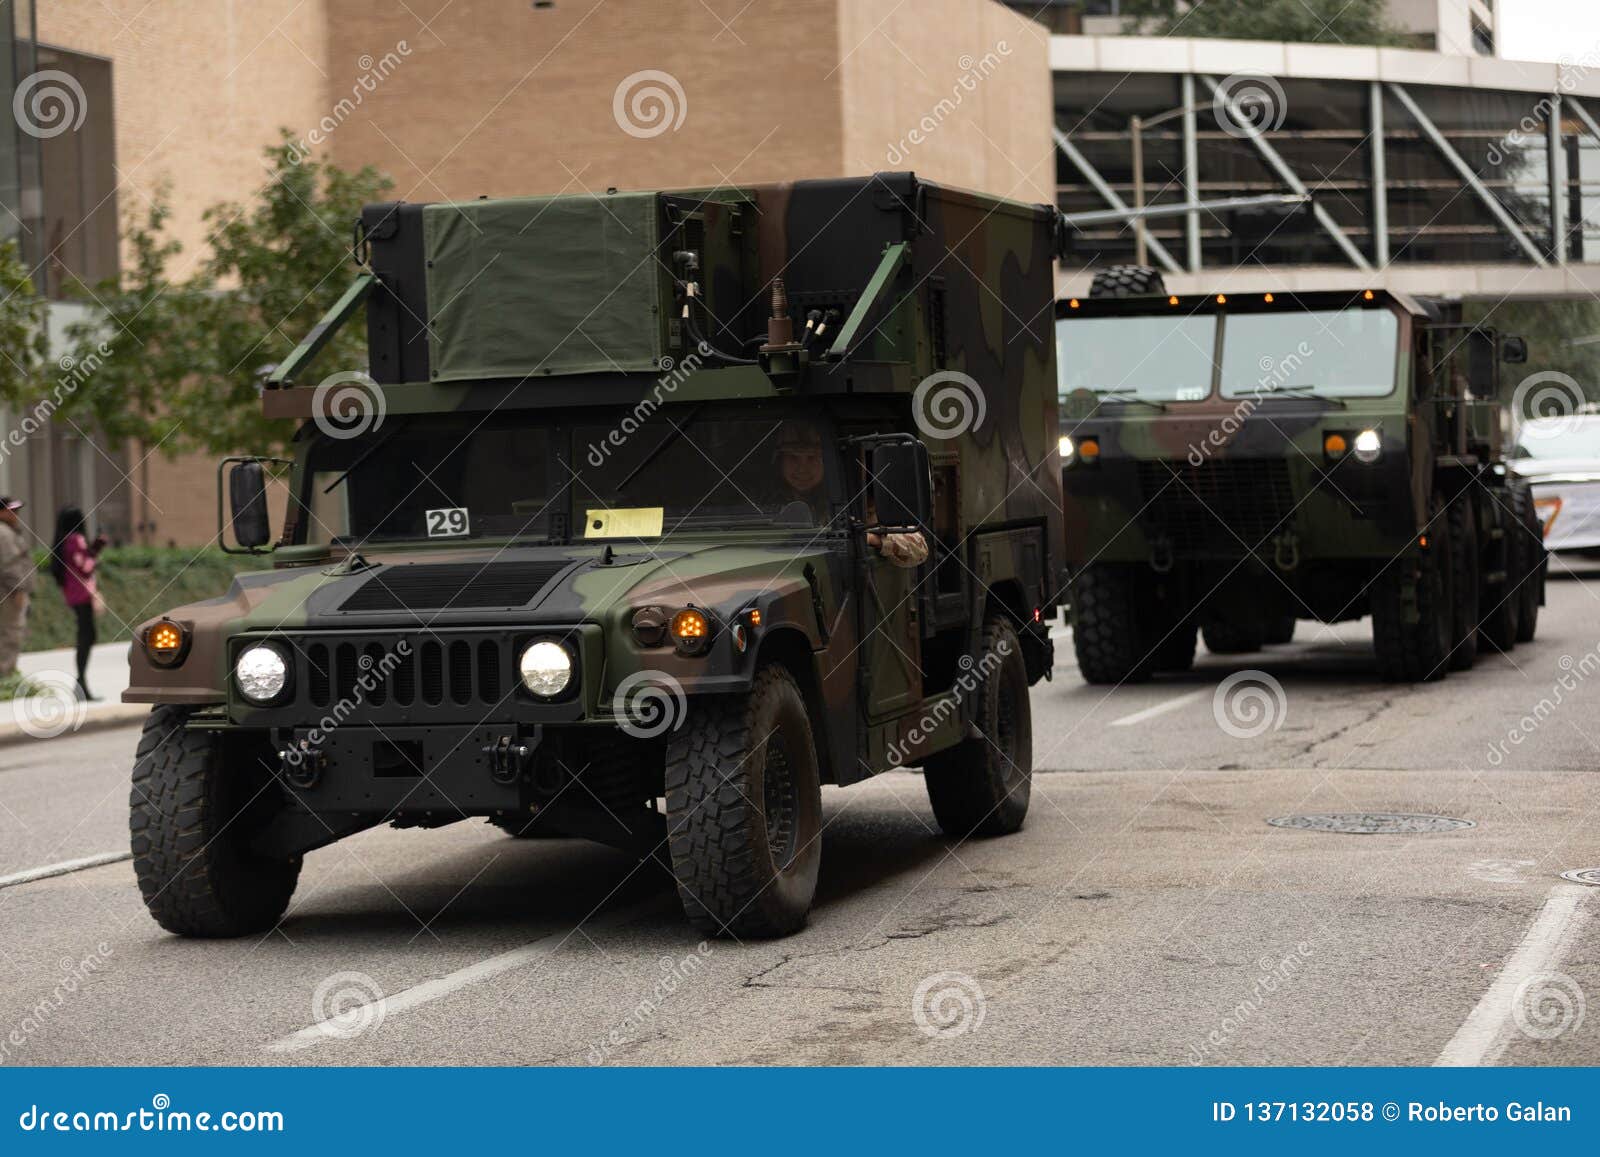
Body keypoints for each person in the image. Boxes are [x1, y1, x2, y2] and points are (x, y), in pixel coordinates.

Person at [50, 507, 107, 701]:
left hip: (73, 594)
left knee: (86, 635)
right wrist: (97, 548)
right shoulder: (76, 539)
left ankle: (81, 682)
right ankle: (81, 683)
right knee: (87, 636)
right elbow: (86, 566)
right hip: (83, 593)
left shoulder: (63, 541)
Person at [0, 496, 34, 678]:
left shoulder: (8, 531)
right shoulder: (4, 533)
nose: (16, 514)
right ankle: (6, 677)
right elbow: (10, 565)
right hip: (8, 593)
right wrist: (18, 590)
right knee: (10, 634)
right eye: (11, 510)